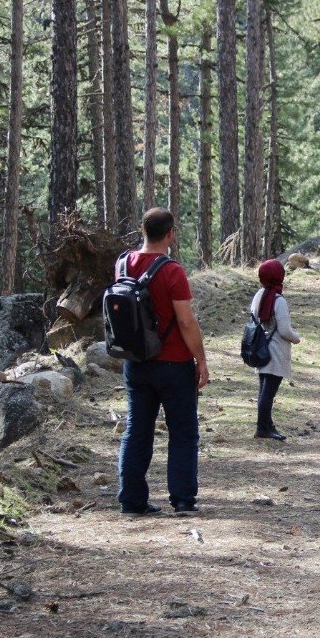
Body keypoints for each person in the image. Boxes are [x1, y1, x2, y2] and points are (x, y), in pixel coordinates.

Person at [117, 208, 209, 518]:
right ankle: (182, 500)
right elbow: (185, 321)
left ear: (143, 231)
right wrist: (201, 359)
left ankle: (131, 501)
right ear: (169, 234)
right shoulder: (172, 271)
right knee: (182, 431)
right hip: (173, 363)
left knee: (137, 430)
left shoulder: (122, 264)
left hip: (135, 361)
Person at [250, 259, 302, 442]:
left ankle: (266, 425)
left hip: (260, 348)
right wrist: (297, 338)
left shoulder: (258, 295)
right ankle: (262, 428)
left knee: (263, 390)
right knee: (268, 393)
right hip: (276, 351)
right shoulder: (278, 300)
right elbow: (285, 330)